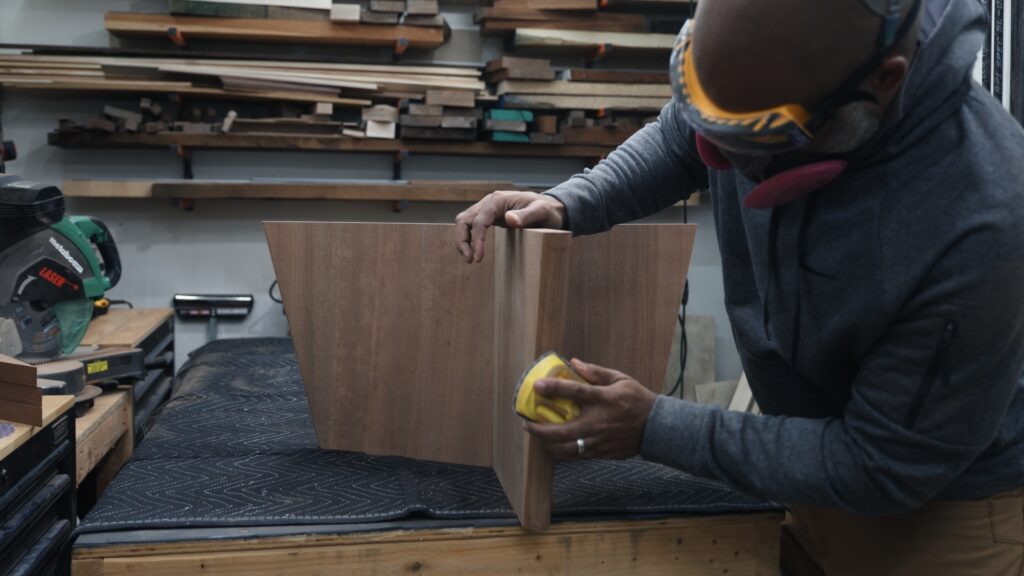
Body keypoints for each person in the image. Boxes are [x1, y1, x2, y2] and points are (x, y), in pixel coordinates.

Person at [454, 0, 1024, 573]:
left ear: (882, 84)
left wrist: (653, 425)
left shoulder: (980, 214)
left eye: (750, 142)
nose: (717, 156)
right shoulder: (766, 88)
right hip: (794, 472)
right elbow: (684, 141)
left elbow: (880, 465)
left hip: (944, 520)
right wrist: (566, 202)